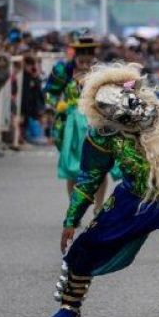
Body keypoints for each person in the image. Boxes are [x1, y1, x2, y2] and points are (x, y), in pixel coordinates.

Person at [45, 62, 159, 317]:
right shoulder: (103, 135)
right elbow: (88, 179)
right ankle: (70, 305)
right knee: (89, 246)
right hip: (134, 198)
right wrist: (71, 220)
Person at [43, 35, 110, 211]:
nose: (85, 57)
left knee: (100, 166)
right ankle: (75, 206)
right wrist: (54, 107)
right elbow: (50, 93)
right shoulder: (63, 71)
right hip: (71, 126)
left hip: (96, 124)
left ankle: (98, 206)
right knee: (72, 167)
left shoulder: (103, 73)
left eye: (89, 53)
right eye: (82, 53)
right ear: (76, 54)